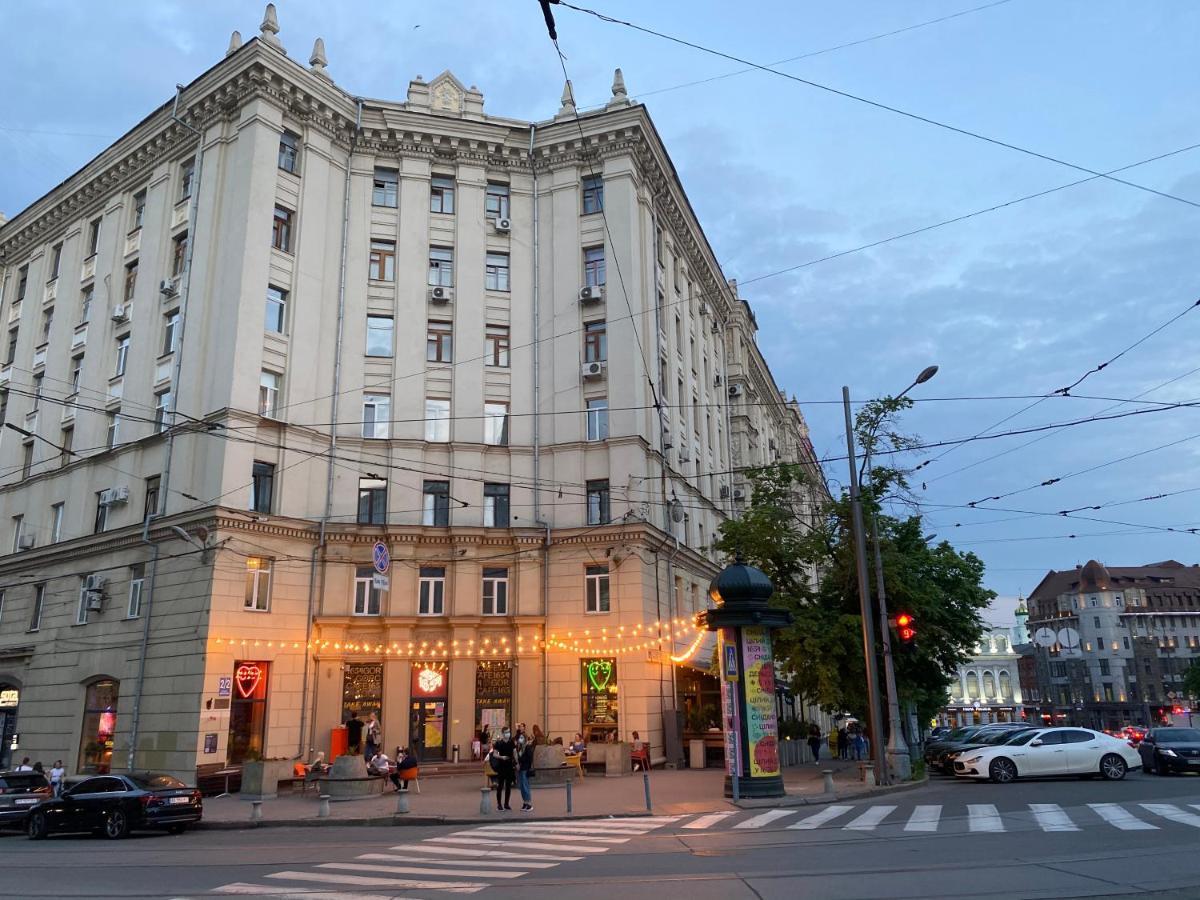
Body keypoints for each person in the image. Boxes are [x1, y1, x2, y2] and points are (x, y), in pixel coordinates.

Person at [490, 727, 516, 811]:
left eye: (508, 732)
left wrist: (517, 762)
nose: (508, 734)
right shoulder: (499, 743)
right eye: (506, 732)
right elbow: (494, 754)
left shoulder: (511, 742)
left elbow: (514, 752)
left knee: (508, 786)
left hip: (509, 766)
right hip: (501, 766)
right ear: (502, 733)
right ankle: (499, 804)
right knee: (500, 786)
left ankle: (506, 804)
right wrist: (501, 757)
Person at [515, 733, 535, 812]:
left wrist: (523, 763)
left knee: (525, 786)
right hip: (520, 769)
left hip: (525, 769)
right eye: (520, 737)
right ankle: (524, 802)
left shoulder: (528, 747)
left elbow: (529, 758)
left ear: (525, 739)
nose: (520, 739)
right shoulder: (519, 748)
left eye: (522, 737)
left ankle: (529, 804)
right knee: (521, 787)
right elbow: (518, 757)